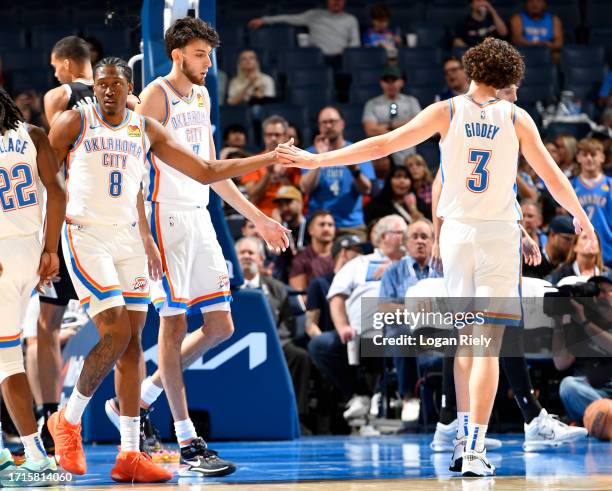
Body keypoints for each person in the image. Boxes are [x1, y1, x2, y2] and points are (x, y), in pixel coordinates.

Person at [279, 37, 595, 477]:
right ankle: (475, 446)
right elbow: (553, 178)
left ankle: (462, 439)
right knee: (488, 346)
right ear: (508, 80)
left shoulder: (445, 111)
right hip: (497, 236)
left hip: (458, 236)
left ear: (472, 71)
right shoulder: (516, 117)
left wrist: (317, 160)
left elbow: (382, 144)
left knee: (466, 344)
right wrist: (581, 215)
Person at [46, 56, 288, 481]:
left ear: (128, 89)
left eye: (115, 84)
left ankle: (129, 455)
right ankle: (67, 419)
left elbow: (206, 170)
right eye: (101, 83)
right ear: (95, 86)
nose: (107, 90)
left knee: (134, 346)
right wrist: (43, 246)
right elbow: (45, 182)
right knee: (117, 332)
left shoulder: (145, 129)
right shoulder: (73, 122)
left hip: (126, 238)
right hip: (85, 234)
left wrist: (267, 157)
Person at [0, 87, 65, 483]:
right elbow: (57, 193)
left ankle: (35, 453)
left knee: (8, 359)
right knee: (5, 354)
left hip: (3, 257)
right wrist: (51, 250)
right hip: (30, 254)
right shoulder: (33, 134)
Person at [35, 35, 95, 454]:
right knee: (122, 329)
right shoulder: (126, 100)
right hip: (108, 223)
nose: (55, 72)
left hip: (69, 221)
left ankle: (50, 417)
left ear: (67, 64)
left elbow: (52, 166)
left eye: (57, 66)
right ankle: (137, 421)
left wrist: (47, 237)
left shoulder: (59, 95)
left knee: (46, 326)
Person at [236, 237, 312, 429]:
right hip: (235, 346)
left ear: (261, 259)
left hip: (274, 344)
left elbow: (286, 323)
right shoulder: (224, 287)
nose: (246, 257)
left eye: (251, 253)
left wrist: (276, 342)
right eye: (242, 253)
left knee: (299, 357)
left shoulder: (277, 288)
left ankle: (297, 417)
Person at [379, 219, 440, 422]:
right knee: (401, 333)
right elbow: (384, 307)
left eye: (425, 237)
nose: (420, 242)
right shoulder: (393, 272)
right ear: (405, 243)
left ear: (434, 242)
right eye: (415, 237)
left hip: (440, 327)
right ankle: (408, 397)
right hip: (407, 327)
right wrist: (415, 310)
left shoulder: (444, 269)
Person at [300, 106, 375, 238]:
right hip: (319, 225)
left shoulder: (357, 151)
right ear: (319, 126)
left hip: (350, 225)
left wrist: (354, 169)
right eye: (324, 122)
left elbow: (367, 189)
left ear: (342, 124)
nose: (328, 126)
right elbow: (306, 188)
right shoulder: (309, 154)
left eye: (332, 121)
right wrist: (319, 158)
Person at [553, 273, 612, 422]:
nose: (602, 295)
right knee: (568, 386)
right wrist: (558, 325)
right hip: (589, 393)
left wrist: (585, 323)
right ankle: (605, 416)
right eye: (597, 292)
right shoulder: (577, 323)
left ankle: (603, 417)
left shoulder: (583, 322)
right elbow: (561, 363)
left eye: (607, 291)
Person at [248, 0, 360, 60]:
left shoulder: (351, 19)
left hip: (341, 58)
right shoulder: (314, 14)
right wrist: (264, 20)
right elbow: (289, 18)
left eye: (339, 0)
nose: (336, 2)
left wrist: (345, 51)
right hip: (315, 57)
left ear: (344, 2)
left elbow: (356, 42)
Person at [305, 234, 364, 339]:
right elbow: (310, 325)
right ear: (344, 253)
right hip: (335, 340)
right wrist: (323, 342)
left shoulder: (363, 284)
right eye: (358, 251)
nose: (362, 255)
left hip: (363, 338)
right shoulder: (320, 283)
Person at [242, 115, 301, 217]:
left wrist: (282, 177)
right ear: (264, 137)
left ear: (286, 136)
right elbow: (253, 198)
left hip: (288, 216)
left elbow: (299, 197)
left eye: (277, 135)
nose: (273, 138)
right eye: (269, 135)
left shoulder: (295, 160)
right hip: (261, 216)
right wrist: (268, 174)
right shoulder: (253, 161)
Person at [362, 65, 421, 166]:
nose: (390, 84)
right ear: (381, 83)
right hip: (382, 160)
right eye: (386, 81)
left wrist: (389, 126)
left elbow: (418, 125)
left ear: (401, 82)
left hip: (408, 159)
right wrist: (403, 127)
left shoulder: (411, 101)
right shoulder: (372, 104)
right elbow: (370, 130)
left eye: (393, 80)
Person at [572, 138, 612, 267]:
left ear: (602, 157)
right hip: (580, 251)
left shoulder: (610, 185)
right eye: (585, 155)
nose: (589, 159)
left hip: (608, 250)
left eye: (593, 154)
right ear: (578, 158)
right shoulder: (570, 186)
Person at [289, 210, 335, 292]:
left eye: (330, 225)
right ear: (310, 230)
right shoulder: (301, 260)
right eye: (322, 225)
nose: (326, 229)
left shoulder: (343, 255)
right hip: (316, 304)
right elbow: (300, 298)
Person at [272, 185, 309, 283]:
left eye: (288, 203)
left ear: (300, 203)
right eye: (280, 205)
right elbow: (275, 253)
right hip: (285, 275)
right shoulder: (280, 227)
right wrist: (276, 228)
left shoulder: (311, 225)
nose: (284, 208)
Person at [405, 153, 434, 220]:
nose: (414, 168)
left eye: (418, 164)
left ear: (424, 168)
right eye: (410, 166)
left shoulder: (433, 187)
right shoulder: (404, 191)